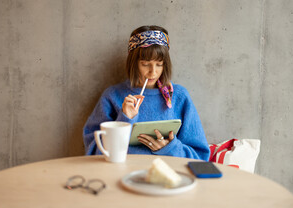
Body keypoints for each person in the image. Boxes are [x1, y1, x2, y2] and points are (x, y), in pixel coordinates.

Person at [83, 25, 210, 161]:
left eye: (159, 64)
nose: (153, 72)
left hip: (168, 176)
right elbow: (93, 152)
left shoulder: (179, 97)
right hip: (121, 174)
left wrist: (170, 148)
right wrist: (124, 119)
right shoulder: (112, 96)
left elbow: (200, 156)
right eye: (145, 64)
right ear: (133, 63)